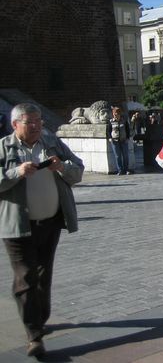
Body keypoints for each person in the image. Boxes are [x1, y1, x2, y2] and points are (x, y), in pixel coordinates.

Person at [0, 103, 84, 357]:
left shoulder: (50, 142)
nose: (37, 126)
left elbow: (77, 169)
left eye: (39, 121)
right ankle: (34, 334)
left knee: (43, 275)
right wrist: (16, 172)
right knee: (25, 278)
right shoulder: (4, 147)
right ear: (15, 125)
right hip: (17, 225)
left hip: (51, 222)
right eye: (30, 122)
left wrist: (62, 167)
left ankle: (39, 318)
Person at [107, 107, 130, 175]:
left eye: (117, 114)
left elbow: (127, 130)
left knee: (125, 156)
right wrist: (110, 138)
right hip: (115, 141)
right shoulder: (111, 121)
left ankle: (126, 170)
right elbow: (108, 131)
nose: (115, 115)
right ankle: (120, 170)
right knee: (117, 156)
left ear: (120, 114)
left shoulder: (124, 121)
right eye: (114, 114)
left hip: (124, 140)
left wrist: (128, 138)